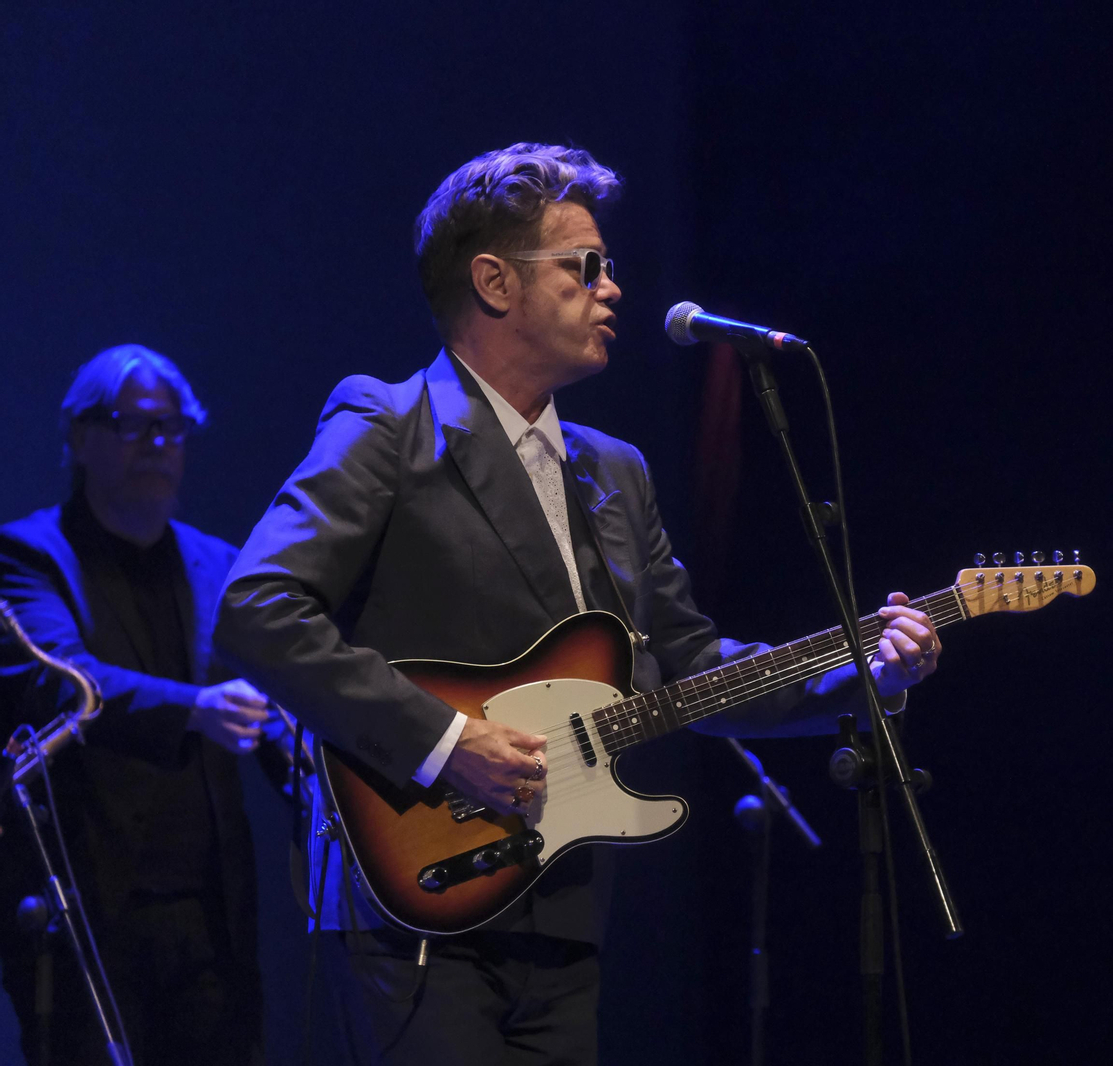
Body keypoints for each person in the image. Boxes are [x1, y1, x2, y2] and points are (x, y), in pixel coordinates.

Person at [213, 142, 942, 1065]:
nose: (615, 289)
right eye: (585, 265)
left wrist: (858, 674)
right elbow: (259, 608)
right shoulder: (389, 424)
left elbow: (687, 666)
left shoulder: (614, 469)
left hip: (564, 908)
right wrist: (447, 743)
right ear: (494, 282)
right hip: (414, 897)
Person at [0, 345, 282, 1065]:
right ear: (78, 439)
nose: (157, 445)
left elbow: (278, 705)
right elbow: (66, 681)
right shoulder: (28, 556)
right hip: (89, 911)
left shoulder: (219, 563)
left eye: (173, 428)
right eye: (133, 426)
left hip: (210, 911)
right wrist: (198, 706)